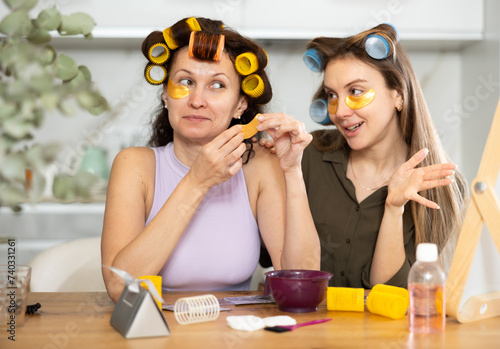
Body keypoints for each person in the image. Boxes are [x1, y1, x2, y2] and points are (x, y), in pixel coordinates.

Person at [101, 17, 320, 302]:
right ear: (166, 94)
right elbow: (120, 287)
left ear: (240, 104)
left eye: (217, 85)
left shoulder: (260, 169)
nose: (197, 100)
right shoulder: (134, 165)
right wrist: (197, 181)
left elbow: (300, 283)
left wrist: (291, 171)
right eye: (185, 81)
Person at [278, 23, 467, 289]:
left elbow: (392, 293)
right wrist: (288, 170)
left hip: (386, 331)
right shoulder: (307, 156)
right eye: (332, 95)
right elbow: (292, 275)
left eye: (355, 91)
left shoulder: (441, 184)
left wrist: (393, 209)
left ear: (398, 95)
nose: (340, 112)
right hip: (306, 327)